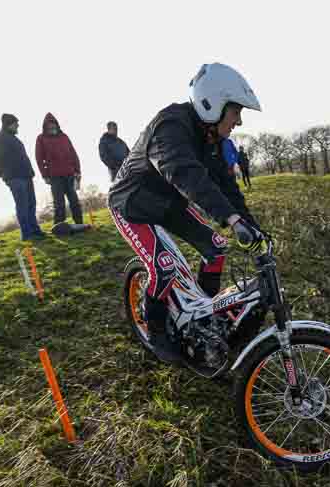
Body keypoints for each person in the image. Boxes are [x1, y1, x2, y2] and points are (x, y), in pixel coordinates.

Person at [107, 63, 264, 364]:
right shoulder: (170, 126)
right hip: (132, 204)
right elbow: (185, 174)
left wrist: (250, 226)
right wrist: (229, 219)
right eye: (236, 112)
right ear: (214, 104)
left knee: (216, 248)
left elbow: (226, 186)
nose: (239, 121)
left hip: (167, 205)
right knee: (163, 267)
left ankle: (202, 317)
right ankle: (155, 332)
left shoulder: (211, 138)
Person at [0, 114, 45, 241]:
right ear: (9, 124)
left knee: (31, 204)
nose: (18, 126)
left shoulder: (14, 138)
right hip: (15, 178)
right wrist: (4, 175)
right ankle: (27, 234)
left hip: (26, 176)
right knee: (22, 205)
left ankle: (35, 231)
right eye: (16, 123)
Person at [36, 113, 84, 226]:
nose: (51, 127)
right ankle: (59, 226)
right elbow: (39, 159)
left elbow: (73, 153)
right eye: (49, 125)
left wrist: (78, 171)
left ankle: (79, 223)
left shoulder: (64, 137)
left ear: (57, 125)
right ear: (45, 126)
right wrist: (45, 175)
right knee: (59, 203)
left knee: (74, 201)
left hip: (70, 174)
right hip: (54, 176)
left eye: (53, 124)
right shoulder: (41, 139)